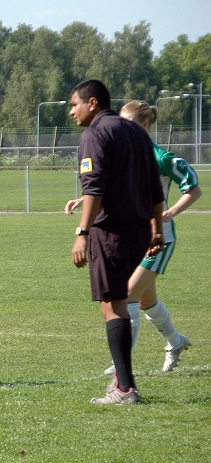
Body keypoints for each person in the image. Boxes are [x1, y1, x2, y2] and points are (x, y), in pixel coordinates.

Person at [65, 100, 201, 375]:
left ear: (145, 125)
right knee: (145, 300)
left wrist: (170, 212)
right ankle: (175, 342)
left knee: (126, 297)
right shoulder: (126, 154)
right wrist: (85, 199)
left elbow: (194, 189)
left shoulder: (161, 157)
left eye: (127, 124)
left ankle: (120, 365)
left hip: (158, 240)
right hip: (135, 236)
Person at [69, 80, 165, 404]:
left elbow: (93, 187)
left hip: (111, 232)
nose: (72, 112)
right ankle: (123, 383)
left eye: (74, 105)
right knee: (120, 304)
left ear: (92, 103)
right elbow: (155, 185)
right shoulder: (136, 131)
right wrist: (158, 228)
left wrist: (82, 233)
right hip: (140, 230)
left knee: (113, 306)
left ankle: (124, 388)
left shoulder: (95, 133)